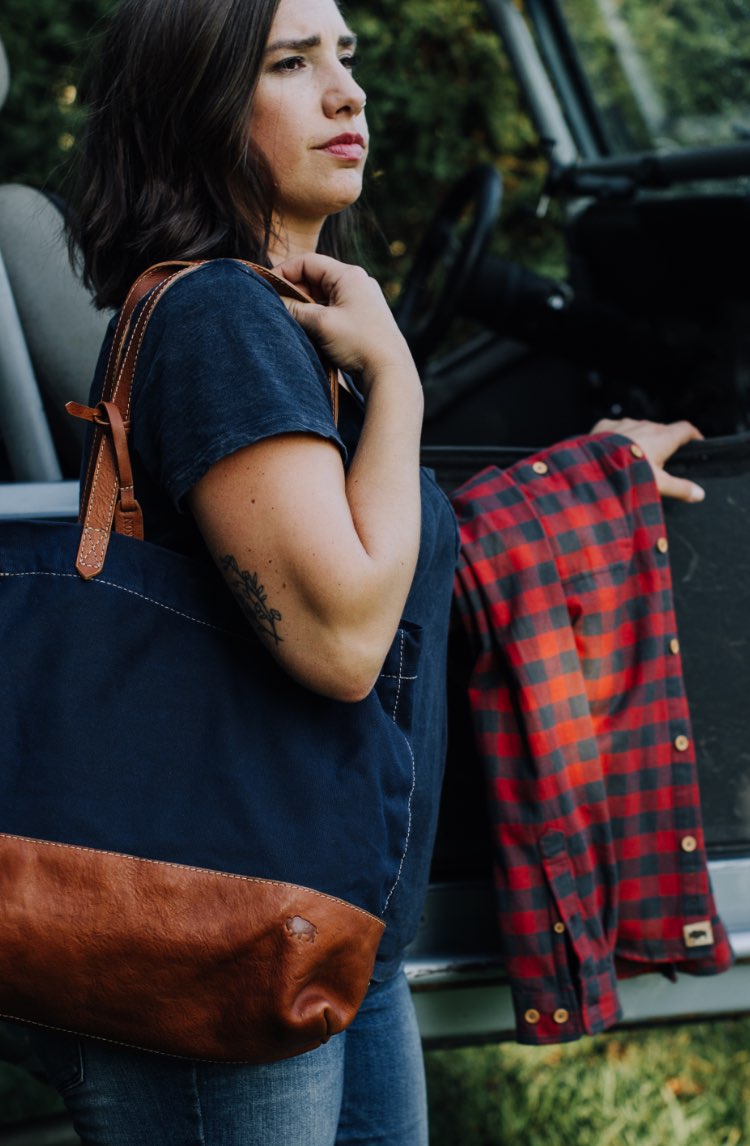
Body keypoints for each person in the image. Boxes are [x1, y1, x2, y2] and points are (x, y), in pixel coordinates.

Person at [27, 0, 705, 1142]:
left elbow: (382, 546)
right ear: (198, 106)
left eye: (347, 56)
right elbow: (346, 638)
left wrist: (575, 467)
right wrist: (401, 374)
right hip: (225, 951)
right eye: (292, 63)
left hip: (330, 927)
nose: (347, 93)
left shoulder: (286, 320)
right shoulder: (221, 319)